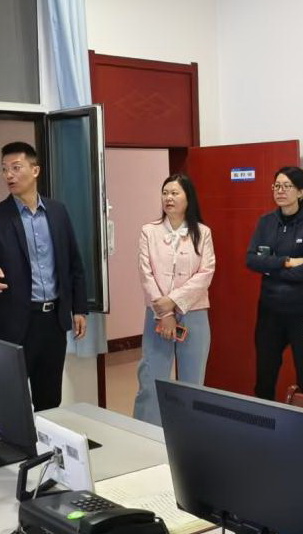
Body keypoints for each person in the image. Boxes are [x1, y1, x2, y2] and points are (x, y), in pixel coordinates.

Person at [0, 141, 87, 412]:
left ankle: (46, 439)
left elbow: (73, 263)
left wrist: (79, 308)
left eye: (16, 167)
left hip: (53, 322)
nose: (8, 175)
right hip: (13, 323)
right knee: (9, 401)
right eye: (4, 169)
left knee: (50, 399)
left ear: (35, 170)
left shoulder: (58, 212)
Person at [133, 174, 215, 425]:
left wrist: (174, 301)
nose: (168, 198)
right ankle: (146, 433)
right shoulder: (149, 231)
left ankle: (188, 435)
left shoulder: (203, 232)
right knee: (151, 379)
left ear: (188, 198)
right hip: (157, 315)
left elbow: (206, 272)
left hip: (194, 313)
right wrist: (165, 312)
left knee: (192, 383)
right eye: (165, 193)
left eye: (175, 193)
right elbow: (145, 273)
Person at [246, 166, 303, 399]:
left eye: (287, 186)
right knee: (264, 377)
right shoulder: (266, 222)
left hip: (302, 311)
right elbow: (251, 260)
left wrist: (270, 268)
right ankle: (263, 420)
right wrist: (287, 262)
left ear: (301, 192)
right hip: (270, 310)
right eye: (277, 186)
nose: (280, 191)